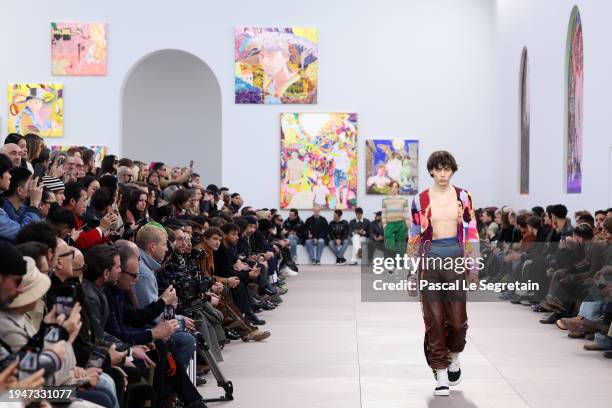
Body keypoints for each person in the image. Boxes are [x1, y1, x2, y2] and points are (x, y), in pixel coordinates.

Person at [409, 151, 479, 397]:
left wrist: (473, 266)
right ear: (431, 171)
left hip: (457, 261)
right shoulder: (420, 200)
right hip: (429, 263)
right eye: (438, 169)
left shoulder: (463, 196)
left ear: (452, 171)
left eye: (447, 169)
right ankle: (440, 374)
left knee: (458, 321)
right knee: (434, 320)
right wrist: (411, 271)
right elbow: (415, 235)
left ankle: (455, 355)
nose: (442, 174)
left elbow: (471, 231)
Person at [0, 164, 43, 241]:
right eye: (31, 183)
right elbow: (24, 235)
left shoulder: (23, 208)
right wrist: (34, 205)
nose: (34, 187)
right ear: (19, 190)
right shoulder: (4, 209)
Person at [382, 180, 409, 260]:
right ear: (390, 188)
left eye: (396, 187)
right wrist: (384, 225)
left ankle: (399, 267)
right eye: (392, 187)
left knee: (400, 246)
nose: (394, 188)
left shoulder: (404, 200)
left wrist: (407, 226)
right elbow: (383, 213)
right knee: (389, 245)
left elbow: (406, 214)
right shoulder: (385, 200)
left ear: (398, 188)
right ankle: (390, 264)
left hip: (401, 224)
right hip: (389, 224)